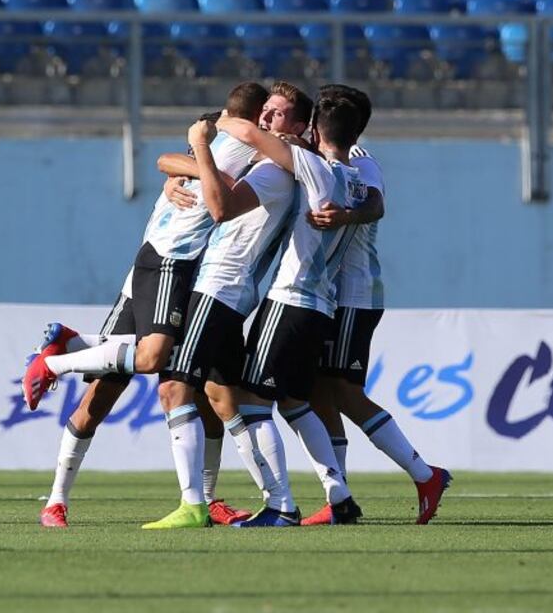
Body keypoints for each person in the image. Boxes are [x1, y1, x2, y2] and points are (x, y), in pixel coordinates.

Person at [29, 82, 269, 528]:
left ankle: (207, 499)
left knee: (204, 391)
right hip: (164, 267)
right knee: (111, 390)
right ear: (253, 117)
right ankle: (56, 499)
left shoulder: (230, 148)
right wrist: (202, 169)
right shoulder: (229, 139)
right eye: (267, 114)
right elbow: (175, 164)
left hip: (185, 276)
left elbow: (171, 161)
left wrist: (194, 169)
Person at [140, 82, 316, 529]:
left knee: (173, 388)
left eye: (277, 114)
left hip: (220, 286)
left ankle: (195, 505)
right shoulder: (267, 160)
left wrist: (201, 146)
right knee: (226, 397)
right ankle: (279, 504)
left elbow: (220, 208)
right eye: (265, 111)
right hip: (224, 287)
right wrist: (182, 172)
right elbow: (172, 161)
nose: (265, 119)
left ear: (297, 127)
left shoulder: (275, 171)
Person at [206, 94, 371, 524]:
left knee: (251, 401)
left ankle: (281, 508)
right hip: (322, 305)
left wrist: (215, 123)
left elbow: (247, 133)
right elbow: (376, 205)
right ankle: (340, 496)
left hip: (291, 298)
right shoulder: (356, 179)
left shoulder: (312, 165)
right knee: (295, 402)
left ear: (314, 130)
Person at [298, 84, 452, 526]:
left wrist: (346, 215)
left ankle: (425, 475)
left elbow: (376, 204)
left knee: (343, 391)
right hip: (329, 295)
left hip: (354, 293)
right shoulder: (317, 158)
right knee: (318, 389)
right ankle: (338, 498)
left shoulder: (361, 161)